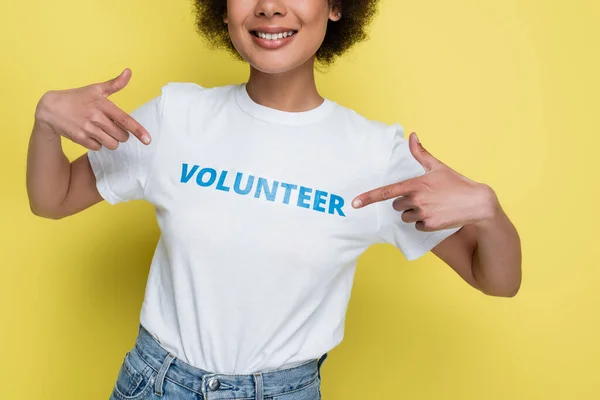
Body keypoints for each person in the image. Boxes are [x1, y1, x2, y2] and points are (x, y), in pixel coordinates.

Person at [26, 0, 522, 399]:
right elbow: (54, 198)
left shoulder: (376, 157)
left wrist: (490, 214)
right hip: (155, 383)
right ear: (223, 9)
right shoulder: (177, 117)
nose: (269, 7)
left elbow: (496, 280)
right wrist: (46, 122)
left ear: (335, 6)